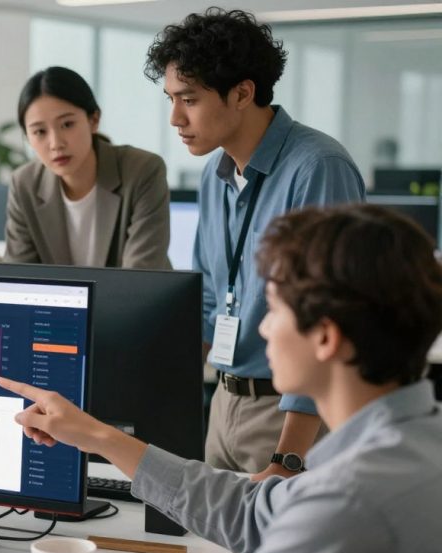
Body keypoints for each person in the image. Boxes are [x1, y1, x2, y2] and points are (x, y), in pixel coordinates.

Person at [0, 205, 442, 553]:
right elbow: (251, 512)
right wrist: (96, 436)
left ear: (325, 337)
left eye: (274, 309)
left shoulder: (347, 501)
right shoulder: (412, 445)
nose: (263, 328)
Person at [144, 8, 366, 478]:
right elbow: (209, 297)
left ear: (243, 92)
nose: (175, 118)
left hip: (288, 415)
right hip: (223, 402)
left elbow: (329, 317)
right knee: (214, 552)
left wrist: (289, 456)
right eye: (170, 99)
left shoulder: (317, 167)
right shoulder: (215, 174)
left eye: (189, 99)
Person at [5, 66, 171, 269]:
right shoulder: (24, 185)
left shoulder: (141, 171)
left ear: (94, 120)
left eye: (67, 124)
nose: (56, 143)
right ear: (27, 138)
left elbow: (141, 275)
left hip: (139, 300)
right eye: (40, 131)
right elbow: (20, 276)